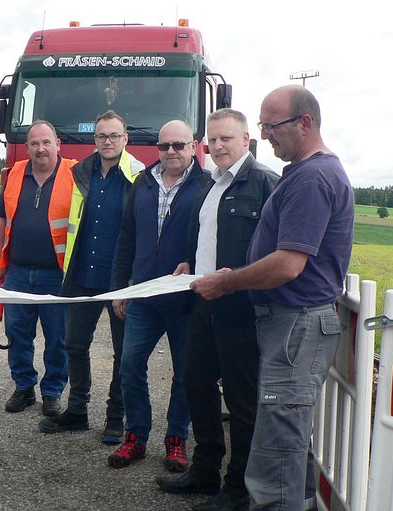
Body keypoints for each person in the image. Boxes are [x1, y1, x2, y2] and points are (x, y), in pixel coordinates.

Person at [189, 85, 354, 510]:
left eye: (271, 125)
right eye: (261, 125)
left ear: (305, 123)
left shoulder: (313, 177)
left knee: (277, 445)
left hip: (296, 323)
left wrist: (227, 282)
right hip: (290, 323)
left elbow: (287, 264)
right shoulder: (302, 173)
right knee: (288, 436)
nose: (266, 135)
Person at [156, 109, 278, 511]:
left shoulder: (265, 185)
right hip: (204, 305)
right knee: (195, 384)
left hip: (242, 311)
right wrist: (192, 264)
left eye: (227, 138)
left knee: (242, 404)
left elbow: (275, 254)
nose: (219, 145)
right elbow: (207, 238)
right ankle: (205, 470)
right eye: (213, 140)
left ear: (246, 141)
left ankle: (238, 489)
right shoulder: (212, 185)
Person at [38, 110, 144, 444]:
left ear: (125, 138)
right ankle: (77, 411)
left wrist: (131, 281)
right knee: (74, 345)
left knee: (122, 353)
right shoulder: (81, 172)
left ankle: (116, 418)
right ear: (94, 139)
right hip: (82, 274)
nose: (108, 142)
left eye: (114, 136)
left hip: (120, 281)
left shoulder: (140, 175)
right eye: (101, 136)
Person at [106, 120, 202, 471]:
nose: (171, 152)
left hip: (184, 300)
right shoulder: (142, 184)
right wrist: (121, 289)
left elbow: (211, 239)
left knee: (185, 374)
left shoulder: (206, 186)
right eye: (164, 146)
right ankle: (136, 436)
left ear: (193, 146)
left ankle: (176, 439)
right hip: (144, 297)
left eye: (179, 145)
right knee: (129, 365)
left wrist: (194, 261)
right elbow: (126, 240)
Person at [0, 120, 75, 417]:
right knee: (17, 334)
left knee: (58, 338)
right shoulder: (16, 173)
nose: (40, 149)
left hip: (58, 275)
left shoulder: (76, 175)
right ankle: (24, 387)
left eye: (46, 142)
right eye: (34, 143)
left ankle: (52, 392)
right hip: (18, 272)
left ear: (57, 144)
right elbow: (0, 219)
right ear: (27, 147)